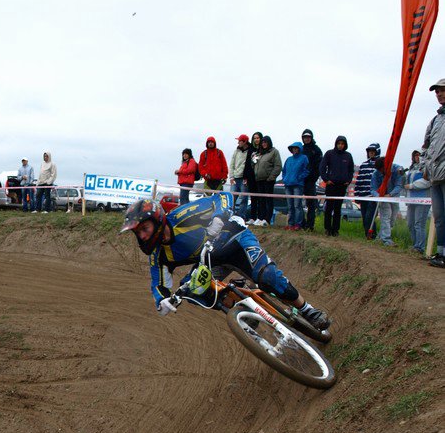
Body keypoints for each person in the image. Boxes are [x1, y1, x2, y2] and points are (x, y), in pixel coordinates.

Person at [119, 194, 330, 330]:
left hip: (234, 239)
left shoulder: (182, 217)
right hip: (212, 259)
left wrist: (219, 217)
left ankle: (306, 309)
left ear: (157, 220)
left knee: (267, 276)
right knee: (192, 290)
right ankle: (242, 308)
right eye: (138, 233)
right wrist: (162, 301)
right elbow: (158, 285)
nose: (142, 236)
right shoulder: (159, 255)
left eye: (144, 229)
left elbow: (222, 197)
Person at [421, 78, 445, 268]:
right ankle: (441, 252)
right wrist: (424, 167)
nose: (439, 94)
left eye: (442, 90)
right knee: (439, 216)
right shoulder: (435, 120)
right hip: (434, 176)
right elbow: (425, 146)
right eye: (437, 91)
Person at [319, 136, 354, 236]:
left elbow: (351, 170)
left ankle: (335, 230)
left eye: (342, 144)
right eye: (339, 143)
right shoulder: (329, 153)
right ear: (336, 144)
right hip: (331, 185)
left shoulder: (348, 156)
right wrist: (326, 180)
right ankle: (327, 229)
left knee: (338, 208)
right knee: (329, 207)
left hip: (342, 186)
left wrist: (348, 181)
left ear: (345, 145)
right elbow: (322, 167)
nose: (340, 145)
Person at [370, 157, 404, 247]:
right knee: (386, 217)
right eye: (379, 170)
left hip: (394, 197)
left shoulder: (397, 169)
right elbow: (373, 189)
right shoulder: (376, 173)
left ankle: (380, 238)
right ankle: (386, 240)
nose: (381, 172)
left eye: (382, 170)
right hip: (383, 198)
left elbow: (399, 185)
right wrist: (379, 196)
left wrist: (390, 194)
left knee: (392, 219)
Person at [404, 150, 431, 254]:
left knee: (419, 224)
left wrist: (412, 186)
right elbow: (406, 182)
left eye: (419, 155)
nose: (417, 157)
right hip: (411, 199)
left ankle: (420, 248)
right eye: (415, 155)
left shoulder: (427, 166)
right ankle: (415, 245)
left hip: (423, 200)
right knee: (410, 224)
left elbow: (427, 181)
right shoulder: (412, 168)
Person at [253, 135, 282, 227]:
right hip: (259, 180)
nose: (264, 144)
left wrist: (271, 178)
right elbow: (255, 165)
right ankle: (260, 218)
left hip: (268, 180)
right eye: (263, 142)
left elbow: (278, 166)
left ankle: (267, 219)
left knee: (268, 200)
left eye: (265, 142)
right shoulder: (260, 153)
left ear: (269, 142)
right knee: (261, 200)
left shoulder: (274, 152)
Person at [354, 143, 381, 239]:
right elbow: (359, 180)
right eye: (369, 151)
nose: (371, 153)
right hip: (362, 195)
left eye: (373, 151)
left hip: (373, 196)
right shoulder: (364, 164)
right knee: (365, 217)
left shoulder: (380, 164)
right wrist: (356, 194)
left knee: (370, 217)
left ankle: (372, 236)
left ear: (377, 152)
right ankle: (368, 236)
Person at [282, 142, 309, 230]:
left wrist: (299, 178)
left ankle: (298, 224)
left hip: (298, 185)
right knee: (290, 206)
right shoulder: (288, 159)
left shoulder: (304, 158)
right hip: (288, 184)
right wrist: (284, 179)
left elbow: (307, 170)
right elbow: (284, 170)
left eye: (296, 148)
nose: (295, 149)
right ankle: (291, 224)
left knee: (297, 205)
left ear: (300, 149)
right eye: (293, 148)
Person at [300, 129, 323, 231]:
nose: (306, 139)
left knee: (311, 204)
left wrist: (313, 178)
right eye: (305, 137)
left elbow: (319, 166)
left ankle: (310, 225)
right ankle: (301, 223)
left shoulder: (316, 150)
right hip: (300, 180)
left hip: (311, 180)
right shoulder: (300, 149)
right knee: (298, 203)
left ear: (311, 138)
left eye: (308, 137)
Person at [229, 134, 250, 218]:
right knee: (231, 198)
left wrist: (247, 177)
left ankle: (241, 216)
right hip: (235, 178)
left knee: (244, 199)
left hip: (244, 178)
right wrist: (231, 177)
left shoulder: (250, 152)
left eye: (239, 141)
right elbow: (232, 164)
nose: (238, 143)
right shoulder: (236, 151)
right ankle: (230, 215)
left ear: (245, 142)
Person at [245, 132, 262, 224]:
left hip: (260, 177)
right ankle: (253, 217)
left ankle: (260, 217)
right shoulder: (250, 149)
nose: (256, 140)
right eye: (254, 138)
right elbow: (247, 163)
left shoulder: (263, 149)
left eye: (258, 138)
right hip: (251, 176)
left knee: (260, 198)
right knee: (253, 198)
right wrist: (245, 176)